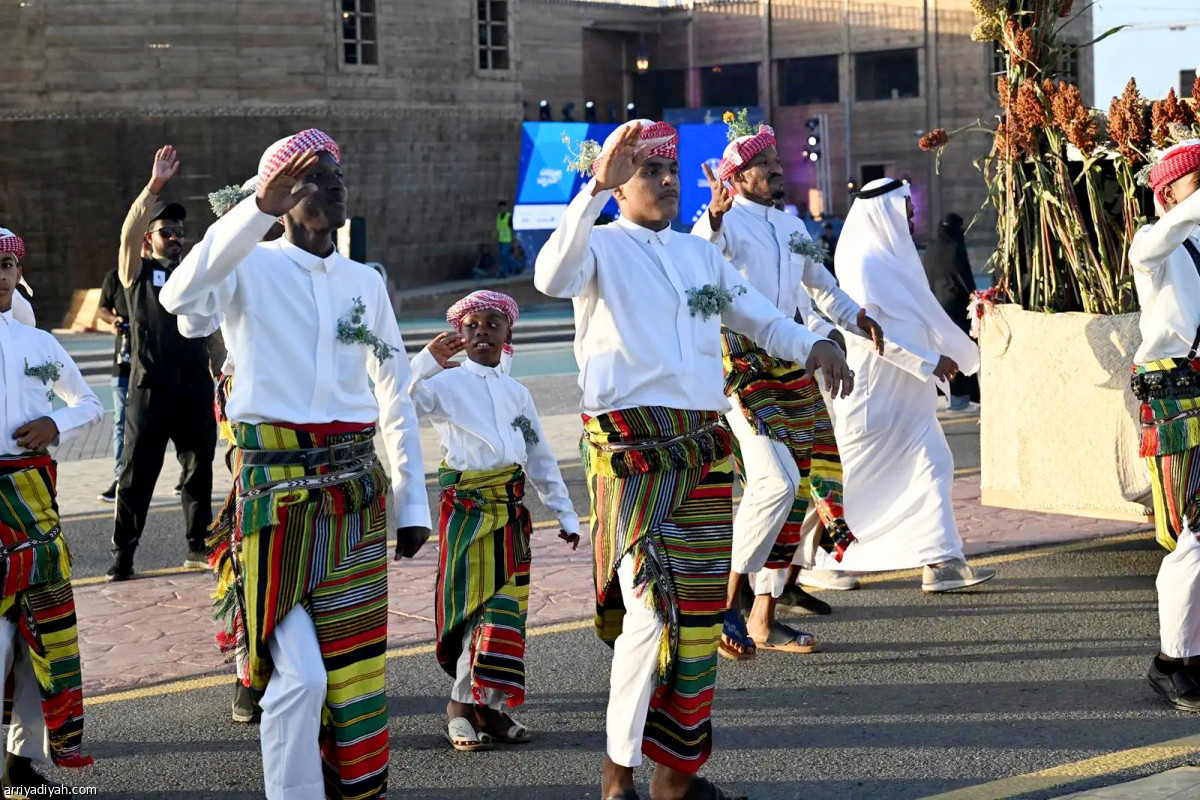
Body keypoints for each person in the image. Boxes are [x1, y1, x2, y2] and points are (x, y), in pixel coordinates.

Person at [535, 119, 852, 800]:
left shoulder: (697, 257)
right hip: (631, 460)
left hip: (701, 456)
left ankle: (674, 777)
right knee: (648, 617)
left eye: (671, 170)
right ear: (620, 183)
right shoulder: (598, 248)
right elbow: (550, 275)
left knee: (700, 621)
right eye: (651, 171)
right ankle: (617, 777)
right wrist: (593, 188)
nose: (668, 181)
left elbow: (760, 319)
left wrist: (813, 344)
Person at [161, 129, 430, 800]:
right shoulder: (246, 266)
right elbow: (178, 303)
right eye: (314, 178)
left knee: (350, 674)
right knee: (301, 676)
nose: (333, 185)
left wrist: (413, 502)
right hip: (274, 496)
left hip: (356, 500)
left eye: (336, 174)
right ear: (280, 195)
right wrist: (250, 213)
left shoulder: (365, 281)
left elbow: (394, 391)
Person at [691, 121, 882, 656]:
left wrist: (857, 318)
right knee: (774, 483)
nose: (778, 170)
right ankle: (724, 602)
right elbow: (696, 257)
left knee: (797, 491)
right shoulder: (722, 224)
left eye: (778, 163)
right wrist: (714, 216)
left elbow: (824, 289)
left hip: (793, 364)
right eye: (765, 165)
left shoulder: (792, 226)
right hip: (741, 369)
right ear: (737, 177)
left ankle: (762, 617)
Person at [408, 290, 580, 751]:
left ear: (508, 332)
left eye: (491, 323)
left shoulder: (518, 392)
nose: (481, 331)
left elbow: (541, 456)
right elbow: (396, 402)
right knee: (474, 613)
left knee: (504, 614)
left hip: (510, 513)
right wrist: (424, 363)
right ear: (459, 335)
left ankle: (490, 707)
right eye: (471, 326)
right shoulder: (445, 384)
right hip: (466, 513)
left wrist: (564, 512)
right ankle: (459, 708)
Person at [825, 177, 995, 592]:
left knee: (934, 465)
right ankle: (818, 558)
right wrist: (929, 361)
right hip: (873, 395)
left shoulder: (894, 259)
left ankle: (941, 561)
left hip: (911, 399)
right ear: (883, 212)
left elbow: (921, 315)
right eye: (906, 208)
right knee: (855, 480)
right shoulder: (865, 263)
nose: (913, 216)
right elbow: (876, 335)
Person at [0, 227, 102, 793]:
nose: (0, 275)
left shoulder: (39, 343)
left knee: (43, 639)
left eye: (7, 266)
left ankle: (22, 762)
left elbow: (85, 402)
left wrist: (53, 423)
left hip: (36, 506)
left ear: (19, 272)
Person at [108, 146, 217, 581]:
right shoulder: (134, 273)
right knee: (137, 476)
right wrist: (154, 186)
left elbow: (214, 332)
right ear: (150, 238)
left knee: (199, 471)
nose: (174, 238)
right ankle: (124, 554)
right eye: (165, 232)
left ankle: (197, 545)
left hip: (193, 389)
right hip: (148, 390)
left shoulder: (194, 273)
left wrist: (224, 375)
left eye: (178, 232)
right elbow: (128, 234)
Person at [1129, 139, 1200, 711]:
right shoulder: (1152, 245)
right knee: (1191, 533)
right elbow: (1167, 232)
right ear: (1169, 191)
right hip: (1174, 397)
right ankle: (1170, 660)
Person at [922, 213, 980, 410]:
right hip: (956, 305)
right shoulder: (956, 247)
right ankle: (960, 397)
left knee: (943, 349)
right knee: (961, 347)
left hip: (936, 305)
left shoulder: (929, 248)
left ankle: (949, 395)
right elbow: (965, 277)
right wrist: (976, 297)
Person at [95, 268, 131, 503]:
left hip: (154, 364)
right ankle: (120, 477)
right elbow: (102, 309)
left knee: (162, 422)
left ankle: (185, 474)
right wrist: (114, 319)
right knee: (120, 421)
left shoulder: (153, 272)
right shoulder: (114, 277)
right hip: (123, 360)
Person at [496, 200, 519, 276]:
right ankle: (512, 268)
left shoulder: (508, 216)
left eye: (503, 207)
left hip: (507, 239)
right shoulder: (499, 217)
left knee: (504, 255)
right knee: (503, 256)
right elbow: (498, 228)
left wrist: (513, 239)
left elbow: (511, 228)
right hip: (500, 239)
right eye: (500, 208)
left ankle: (515, 266)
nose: (501, 209)